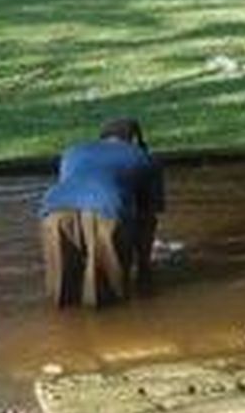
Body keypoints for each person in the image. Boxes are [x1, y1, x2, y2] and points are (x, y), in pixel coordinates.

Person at [39, 118, 165, 308]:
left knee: (62, 296)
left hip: (54, 211)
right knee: (107, 299)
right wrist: (144, 269)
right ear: (134, 139)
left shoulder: (72, 152)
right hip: (106, 210)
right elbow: (148, 217)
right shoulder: (145, 158)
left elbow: (75, 188)